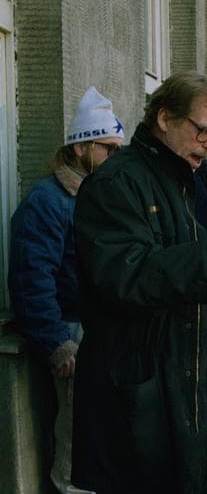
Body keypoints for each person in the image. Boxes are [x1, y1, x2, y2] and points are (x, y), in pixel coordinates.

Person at [71, 71, 207, 493]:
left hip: (194, 380)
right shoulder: (117, 182)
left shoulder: (200, 180)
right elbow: (123, 276)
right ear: (165, 118)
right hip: (140, 393)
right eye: (204, 130)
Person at [7, 87, 124, 493]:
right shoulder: (47, 202)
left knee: (102, 439)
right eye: (109, 148)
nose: (115, 156)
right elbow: (30, 279)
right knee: (77, 444)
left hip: (99, 332)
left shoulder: (96, 196)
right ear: (81, 148)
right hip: (73, 334)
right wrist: (57, 343)